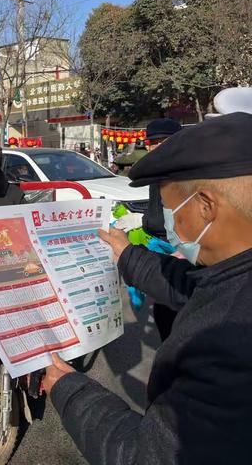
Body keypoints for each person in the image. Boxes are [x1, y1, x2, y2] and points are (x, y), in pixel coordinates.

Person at [44, 112, 252, 464]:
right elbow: (191, 286)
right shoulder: (233, 276)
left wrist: (70, 390)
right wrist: (126, 254)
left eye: (171, 210)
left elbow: (149, 456)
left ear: (205, 207)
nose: (168, 223)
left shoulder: (226, 345)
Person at [116, 118, 182, 340]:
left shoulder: (183, 173)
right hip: (162, 248)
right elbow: (157, 213)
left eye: (164, 140)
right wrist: (142, 219)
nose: (157, 146)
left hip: (183, 252)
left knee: (178, 314)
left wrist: (145, 222)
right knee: (164, 311)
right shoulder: (157, 170)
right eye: (153, 142)